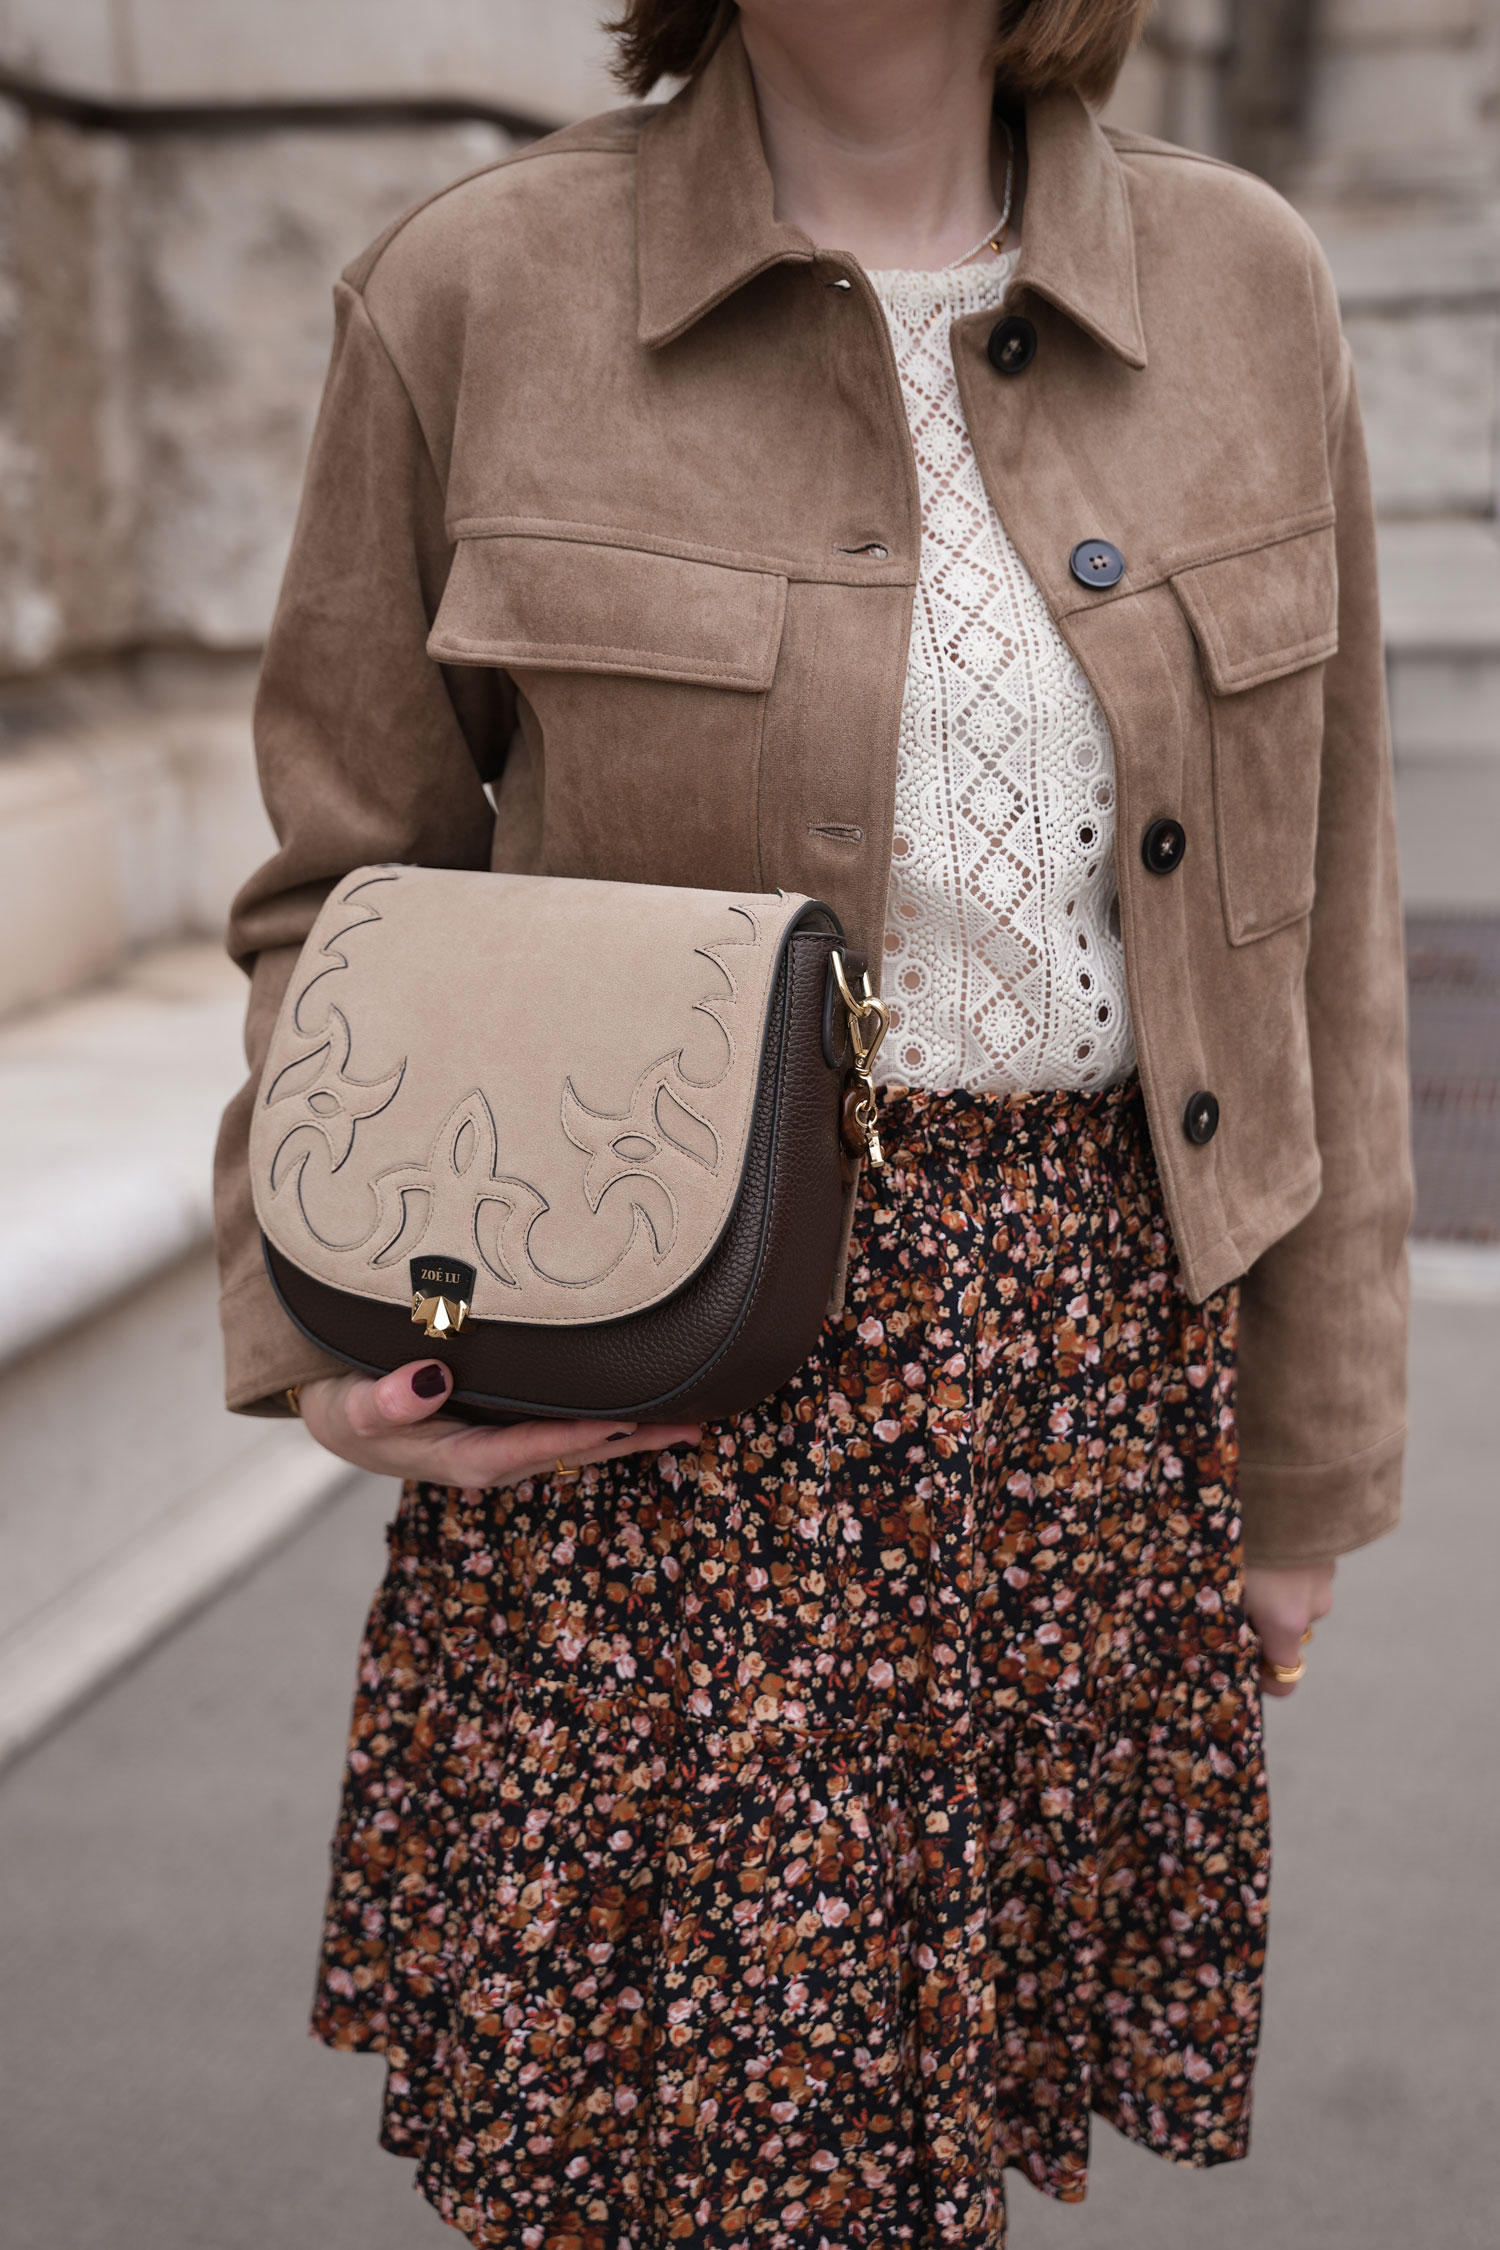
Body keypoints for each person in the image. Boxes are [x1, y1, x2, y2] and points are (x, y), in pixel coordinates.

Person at [212, 1, 1411, 2241]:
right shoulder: (472, 290)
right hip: (653, 1409)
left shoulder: (1250, 286)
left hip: (1086, 1400)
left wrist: (1308, 1460)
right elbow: (339, 887)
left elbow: (1325, 915)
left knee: (920, 2156)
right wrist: (324, 1333)